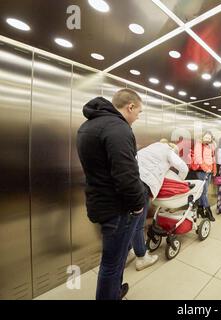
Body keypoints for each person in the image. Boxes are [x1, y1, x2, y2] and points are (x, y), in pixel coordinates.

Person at [77, 88, 146, 300]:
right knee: (112, 262)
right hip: (117, 208)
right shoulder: (119, 129)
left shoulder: (87, 126)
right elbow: (126, 175)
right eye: (139, 112)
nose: (137, 117)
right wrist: (138, 204)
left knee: (113, 259)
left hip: (99, 202)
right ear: (130, 107)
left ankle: (115, 292)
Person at [126, 139, 189, 270]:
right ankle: (142, 258)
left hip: (130, 180)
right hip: (142, 185)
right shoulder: (168, 150)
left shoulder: (149, 148)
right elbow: (183, 167)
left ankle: (128, 252)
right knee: (138, 225)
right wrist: (180, 182)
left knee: (129, 221)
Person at [191, 131, 217, 221]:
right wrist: (206, 168)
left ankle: (200, 209)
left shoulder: (211, 146)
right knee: (204, 192)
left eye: (209, 138)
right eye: (206, 137)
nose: (208, 139)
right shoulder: (198, 144)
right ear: (202, 137)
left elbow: (213, 158)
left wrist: (214, 168)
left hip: (209, 171)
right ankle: (208, 211)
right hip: (202, 171)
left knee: (204, 192)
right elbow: (198, 158)